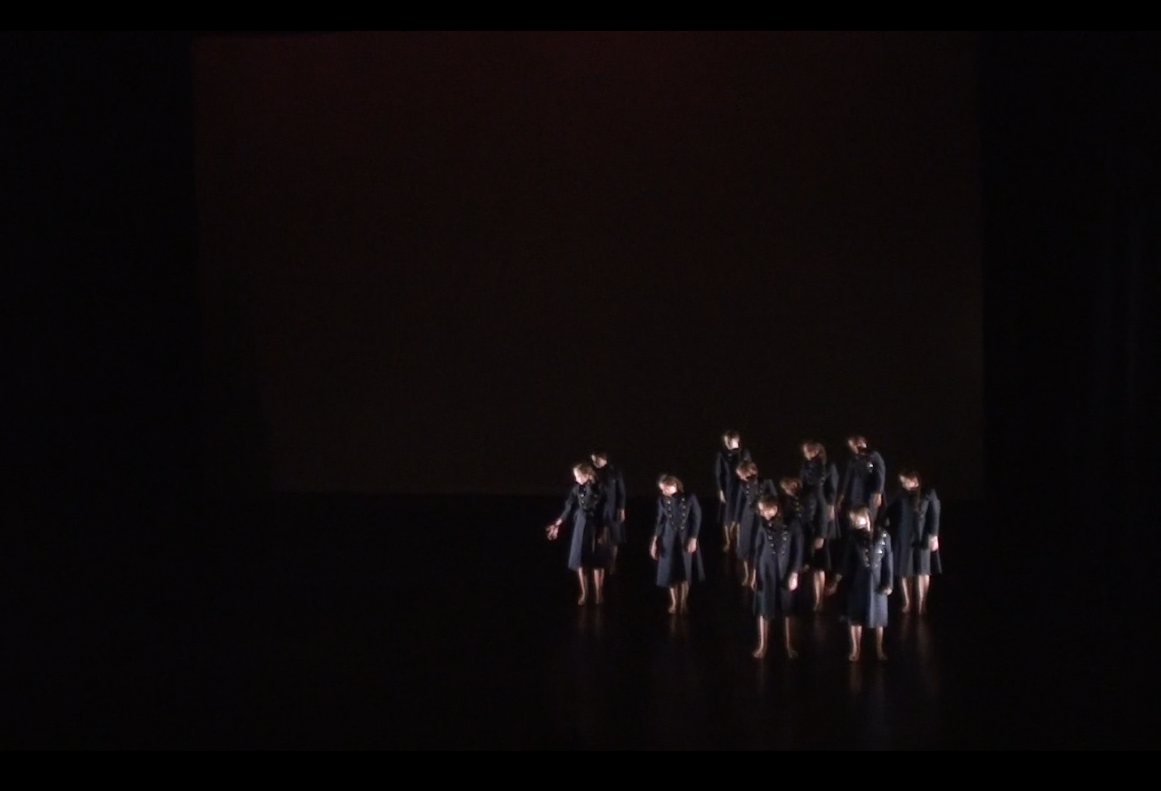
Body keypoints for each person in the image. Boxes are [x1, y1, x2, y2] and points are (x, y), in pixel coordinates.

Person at [826, 505, 893, 662]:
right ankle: (855, 649)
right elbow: (844, 563)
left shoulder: (883, 536)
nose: (854, 522)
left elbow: (888, 562)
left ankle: (879, 649)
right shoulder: (853, 538)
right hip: (857, 583)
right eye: (852, 520)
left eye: (856, 519)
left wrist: (888, 583)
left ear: (866, 517)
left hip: (877, 583)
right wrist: (835, 581)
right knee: (855, 618)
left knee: (878, 618)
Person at [878, 469, 941, 614]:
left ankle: (922, 604)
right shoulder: (899, 495)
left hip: (922, 536)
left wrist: (934, 535)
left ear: (915, 480)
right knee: (904, 570)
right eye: (902, 481)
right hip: (903, 536)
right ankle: (907, 602)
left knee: (922, 570)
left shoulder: (928, 493)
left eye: (905, 481)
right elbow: (889, 511)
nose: (903, 484)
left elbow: (934, 514)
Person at [546, 462, 610, 605]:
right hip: (581, 525)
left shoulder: (600, 488)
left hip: (596, 525)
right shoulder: (577, 489)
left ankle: (599, 593)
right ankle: (584, 593)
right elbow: (568, 507)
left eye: (578, 476)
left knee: (597, 561)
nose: (576, 479)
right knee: (581, 560)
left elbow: (604, 509)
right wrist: (557, 523)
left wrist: (603, 530)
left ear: (587, 475)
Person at [750, 496, 804, 659]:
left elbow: (798, 550)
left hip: (785, 570)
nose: (762, 513)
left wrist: (794, 573)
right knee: (764, 607)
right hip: (766, 569)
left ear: (774, 508)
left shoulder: (793, 523)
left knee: (787, 608)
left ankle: (788, 645)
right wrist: (754, 573)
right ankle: (762, 645)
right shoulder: (762, 524)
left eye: (764, 510)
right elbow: (758, 548)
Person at [650, 474, 704, 615]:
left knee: (685, 573)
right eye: (662, 489)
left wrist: (693, 538)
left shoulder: (690, 497)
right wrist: (655, 541)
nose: (663, 492)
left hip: (685, 538)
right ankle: (674, 602)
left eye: (665, 488)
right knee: (670, 572)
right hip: (668, 539)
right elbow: (660, 521)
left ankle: (683, 602)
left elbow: (696, 518)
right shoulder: (662, 500)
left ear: (673, 485)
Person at [800, 441, 840, 612]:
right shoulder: (805, 466)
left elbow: (831, 491)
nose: (806, 454)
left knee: (819, 563)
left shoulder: (828, 466)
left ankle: (819, 599)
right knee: (810, 563)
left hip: (821, 518)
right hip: (807, 516)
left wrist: (823, 531)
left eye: (809, 451)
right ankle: (812, 597)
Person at [733, 460, 776, 587]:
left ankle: (755, 576)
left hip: (761, 518)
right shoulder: (743, 485)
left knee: (757, 547)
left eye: (742, 474)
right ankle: (747, 575)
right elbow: (740, 502)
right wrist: (736, 521)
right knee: (745, 546)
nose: (741, 477)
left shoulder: (766, 482)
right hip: (747, 518)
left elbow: (774, 499)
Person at [836, 435, 886, 536]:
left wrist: (878, 492)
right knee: (853, 519)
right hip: (854, 495)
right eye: (853, 446)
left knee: (868, 517)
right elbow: (846, 479)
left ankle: (869, 537)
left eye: (858, 444)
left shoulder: (873, 456)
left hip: (869, 493)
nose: (856, 447)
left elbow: (880, 473)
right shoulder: (852, 460)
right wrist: (841, 496)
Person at [714, 431, 751, 553]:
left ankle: (740, 543)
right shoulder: (722, 455)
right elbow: (719, 473)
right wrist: (720, 490)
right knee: (728, 515)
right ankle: (728, 542)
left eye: (729, 440)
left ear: (736, 440)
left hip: (742, 487)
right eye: (726, 441)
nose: (727, 443)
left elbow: (749, 469)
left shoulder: (744, 453)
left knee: (740, 515)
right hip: (729, 488)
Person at [591, 452, 627, 573]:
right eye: (593, 460)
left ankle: (612, 563)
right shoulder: (594, 472)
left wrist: (621, 508)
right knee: (599, 536)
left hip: (612, 509)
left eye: (596, 459)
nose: (594, 462)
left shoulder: (614, 472)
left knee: (614, 537)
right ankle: (600, 562)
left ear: (603, 458)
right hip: (599, 510)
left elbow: (621, 492)